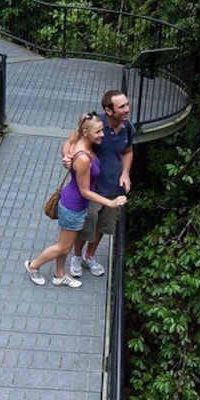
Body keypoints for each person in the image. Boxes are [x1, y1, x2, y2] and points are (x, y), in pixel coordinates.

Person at [25, 112, 127, 288]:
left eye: (102, 130)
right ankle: (33, 266)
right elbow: (85, 191)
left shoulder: (81, 138)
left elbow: (69, 142)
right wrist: (110, 203)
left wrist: (66, 155)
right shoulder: (82, 158)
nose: (102, 134)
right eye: (98, 132)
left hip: (74, 204)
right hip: (74, 206)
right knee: (63, 247)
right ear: (86, 132)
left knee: (65, 243)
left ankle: (59, 275)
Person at [64, 90, 134, 278]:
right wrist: (67, 156)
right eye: (122, 107)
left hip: (114, 189)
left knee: (103, 226)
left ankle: (89, 256)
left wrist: (125, 173)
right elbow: (71, 141)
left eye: (127, 104)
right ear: (108, 111)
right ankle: (76, 257)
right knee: (87, 226)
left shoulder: (127, 127)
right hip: (94, 189)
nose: (127, 109)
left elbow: (127, 151)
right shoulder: (95, 124)